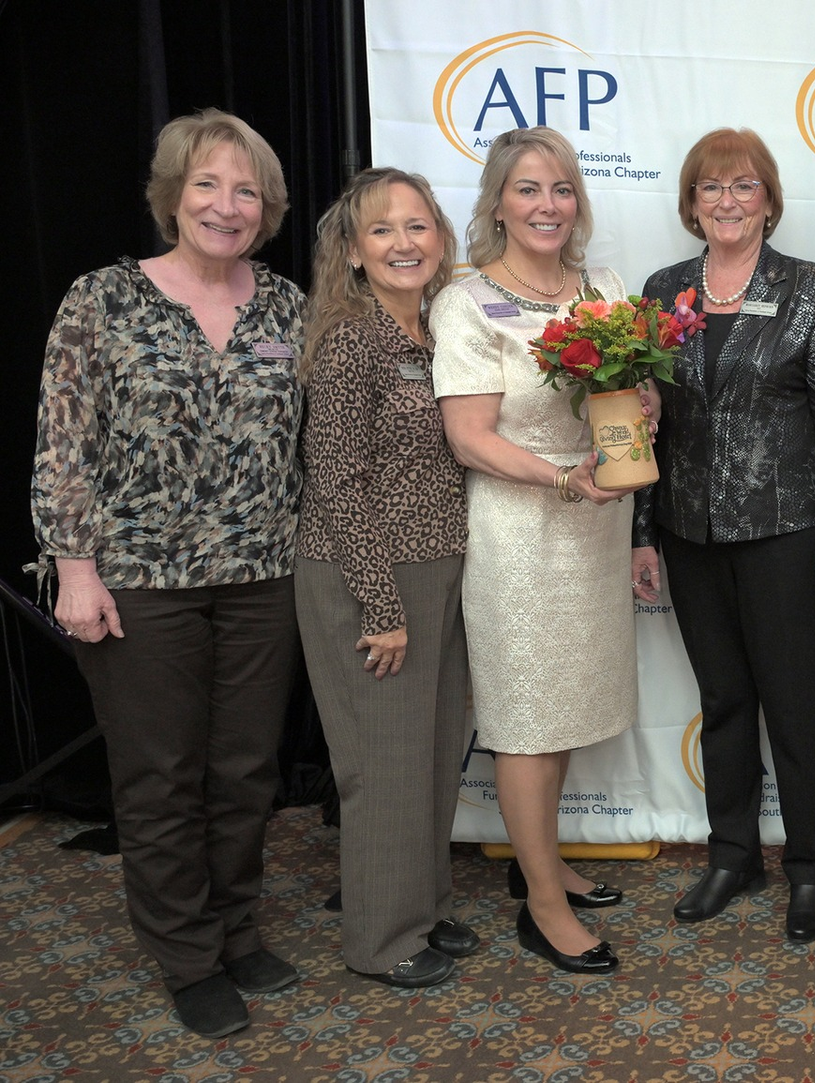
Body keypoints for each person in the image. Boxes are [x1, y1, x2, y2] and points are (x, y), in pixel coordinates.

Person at [31, 109, 305, 1037]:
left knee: (243, 769)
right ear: (173, 195)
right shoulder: (100, 299)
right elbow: (62, 445)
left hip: (265, 571)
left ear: (266, 208)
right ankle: (187, 955)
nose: (227, 206)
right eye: (208, 186)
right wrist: (75, 568)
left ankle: (236, 927)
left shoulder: (287, 307)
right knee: (160, 773)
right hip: (138, 576)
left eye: (247, 191)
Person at [633, 128, 815, 943]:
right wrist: (641, 532)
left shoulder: (810, 288)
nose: (726, 202)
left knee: (793, 707)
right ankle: (731, 855)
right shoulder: (662, 291)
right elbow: (640, 424)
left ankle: (811, 868)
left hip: (787, 531)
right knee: (724, 700)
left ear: (769, 198)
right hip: (690, 529)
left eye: (744, 187)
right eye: (710, 188)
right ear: (691, 204)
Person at [431, 126, 643, 976]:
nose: (547, 205)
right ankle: (544, 909)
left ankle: (543, 865)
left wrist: (642, 411)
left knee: (563, 707)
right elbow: (470, 438)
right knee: (526, 717)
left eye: (560, 189)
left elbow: (628, 389)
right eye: (528, 189)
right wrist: (562, 483)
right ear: (497, 203)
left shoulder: (605, 286)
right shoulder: (466, 299)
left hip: (596, 524)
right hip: (520, 533)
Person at [295, 167, 477, 988]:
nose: (403, 243)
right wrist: (382, 603)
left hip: (440, 567)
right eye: (382, 230)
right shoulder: (349, 337)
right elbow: (335, 478)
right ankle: (379, 939)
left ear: (439, 239)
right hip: (365, 574)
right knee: (384, 763)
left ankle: (426, 907)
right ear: (355, 251)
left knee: (434, 754)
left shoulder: (443, 328)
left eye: (416, 226)